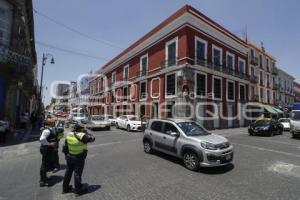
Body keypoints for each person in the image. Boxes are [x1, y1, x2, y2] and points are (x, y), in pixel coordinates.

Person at [62, 123, 95, 195]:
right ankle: (78, 189)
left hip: (69, 156)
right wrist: (87, 132)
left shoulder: (69, 134)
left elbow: (65, 145)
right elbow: (92, 138)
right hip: (78, 157)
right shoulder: (82, 135)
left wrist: (66, 154)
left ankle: (65, 188)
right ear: (81, 129)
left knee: (68, 172)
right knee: (77, 173)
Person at [39, 121, 58, 187]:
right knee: (44, 164)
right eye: (53, 122)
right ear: (50, 123)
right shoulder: (47, 131)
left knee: (46, 164)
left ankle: (44, 178)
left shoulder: (50, 129)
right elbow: (41, 139)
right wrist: (50, 144)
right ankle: (43, 181)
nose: (54, 123)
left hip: (49, 149)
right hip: (46, 149)